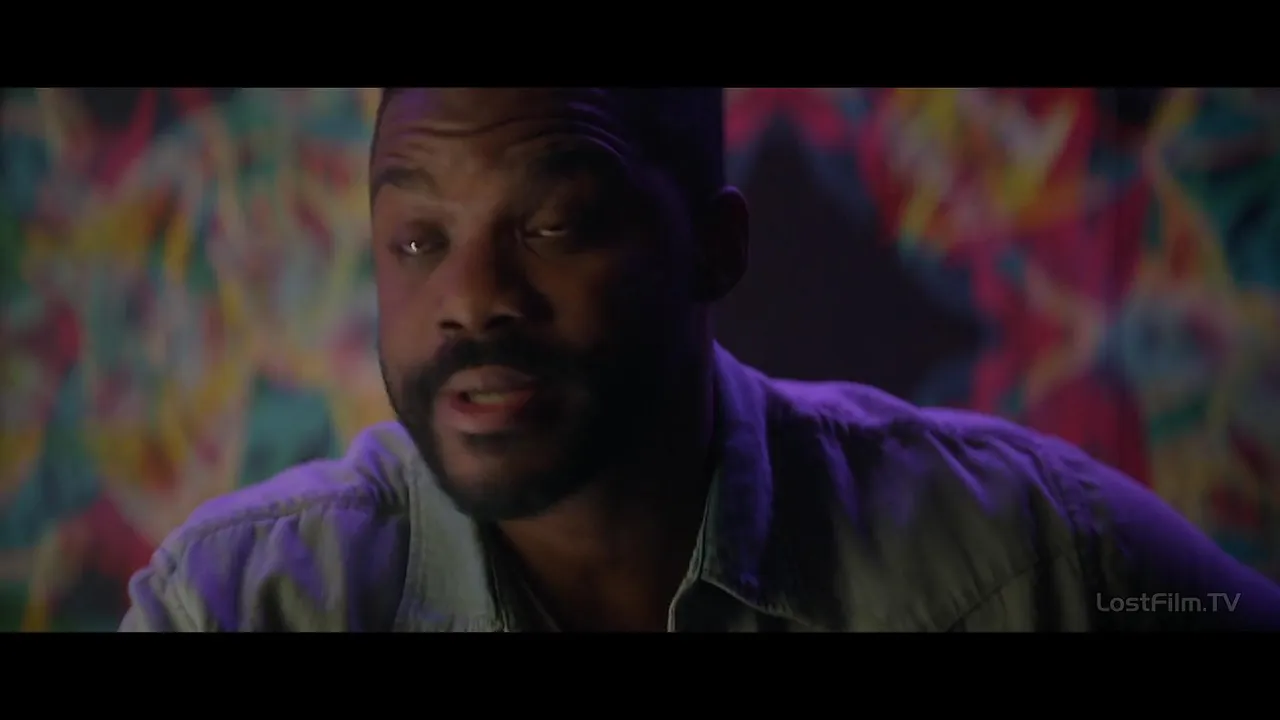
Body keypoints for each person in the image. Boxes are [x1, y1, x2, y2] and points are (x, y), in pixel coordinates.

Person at [119, 88, 1280, 632]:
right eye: (418, 240)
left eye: (554, 224)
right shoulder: (240, 605)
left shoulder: (1029, 561)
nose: (468, 299)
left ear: (714, 248)